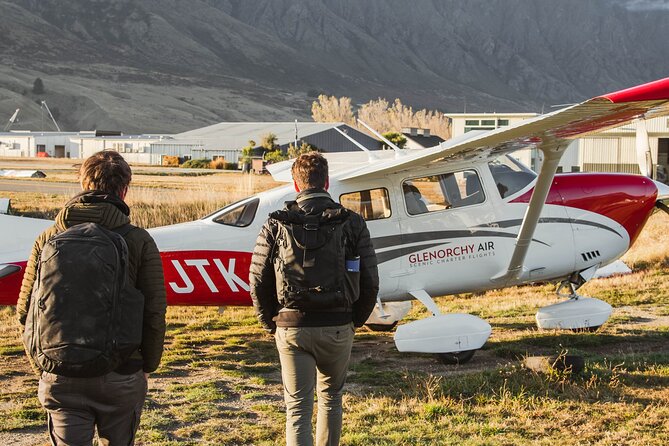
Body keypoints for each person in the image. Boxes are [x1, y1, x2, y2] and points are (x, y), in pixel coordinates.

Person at [17, 151, 166, 446]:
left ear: (83, 184)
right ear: (124, 188)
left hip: (59, 373)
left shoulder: (48, 238)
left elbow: (26, 311)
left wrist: (42, 365)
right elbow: (154, 312)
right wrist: (146, 365)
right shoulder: (138, 239)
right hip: (121, 373)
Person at [250, 152, 379, 446]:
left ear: (296, 185)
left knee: (297, 407)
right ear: (327, 182)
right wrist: (354, 320)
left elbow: (257, 280)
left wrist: (273, 323)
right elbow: (370, 281)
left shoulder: (275, 223)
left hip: (292, 326)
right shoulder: (353, 223)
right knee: (331, 399)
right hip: (337, 325)